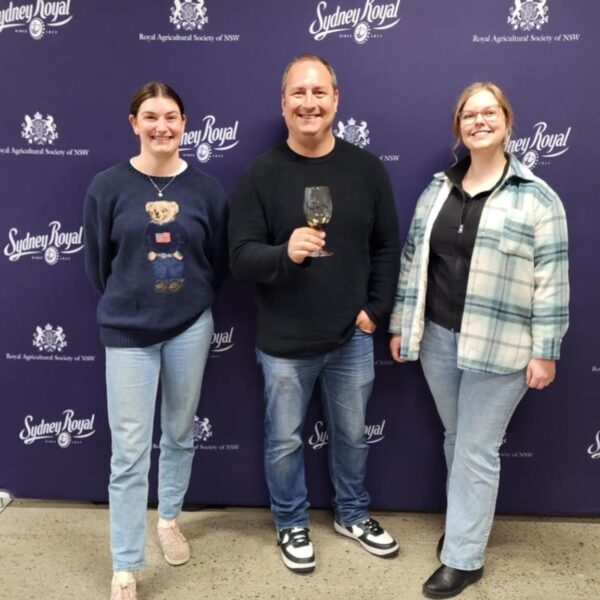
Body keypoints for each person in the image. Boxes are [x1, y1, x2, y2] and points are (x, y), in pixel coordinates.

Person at [389, 82, 569, 598]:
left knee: (474, 448)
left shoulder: (537, 198)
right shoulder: (437, 190)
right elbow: (411, 264)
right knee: (457, 439)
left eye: (490, 112)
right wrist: (403, 324)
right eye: (470, 114)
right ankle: (467, 525)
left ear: (507, 122)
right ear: (459, 127)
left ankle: (465, 557)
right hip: (440, 340)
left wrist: (545, 351)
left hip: (504, 345)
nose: (480, 121)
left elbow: (552, 280)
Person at [228, 54, 401, 573]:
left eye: (319, 92)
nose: (309, 102)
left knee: (351, 436)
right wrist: (286, 252)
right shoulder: (260, 174)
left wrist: (375, 310)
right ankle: (290, 522)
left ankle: (352, 514)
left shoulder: (366, 169)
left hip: (351, 337)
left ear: (335, 100)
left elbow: (388, 246)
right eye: (298, 94)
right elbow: (239, 259)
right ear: (283, 105)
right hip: (283, 342)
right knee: (284, 441)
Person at [84, 81, 228, 600]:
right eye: (151, 116)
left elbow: (218, 262)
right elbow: (100, 264)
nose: (161, 126)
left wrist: (184, 303)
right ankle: (125, 562)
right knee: (127, 452)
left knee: (180, 431)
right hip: (127, 331)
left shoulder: (208, 189)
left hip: (190, 326)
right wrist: (135, 302)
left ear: (185, 123)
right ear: (134, 123)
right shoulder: (107, 185)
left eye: (171, 116)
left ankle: (169, 518)